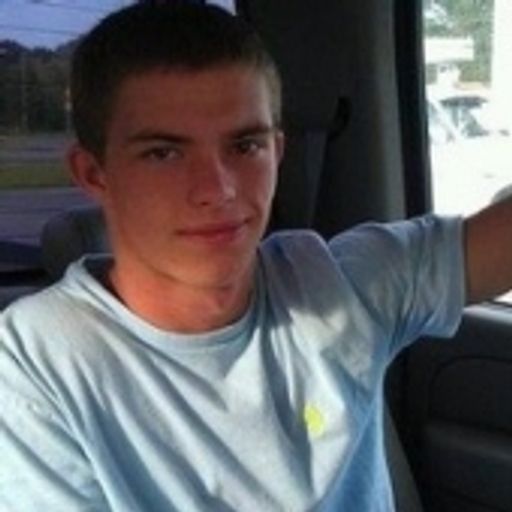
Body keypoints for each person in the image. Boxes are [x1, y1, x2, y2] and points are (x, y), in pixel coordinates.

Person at [0, 3, 511, 511]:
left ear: (278, 151)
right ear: (94, 174)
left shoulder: (338, 286)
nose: (217, 189)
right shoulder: (33, 364)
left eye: (245, 146)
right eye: (163, 153)